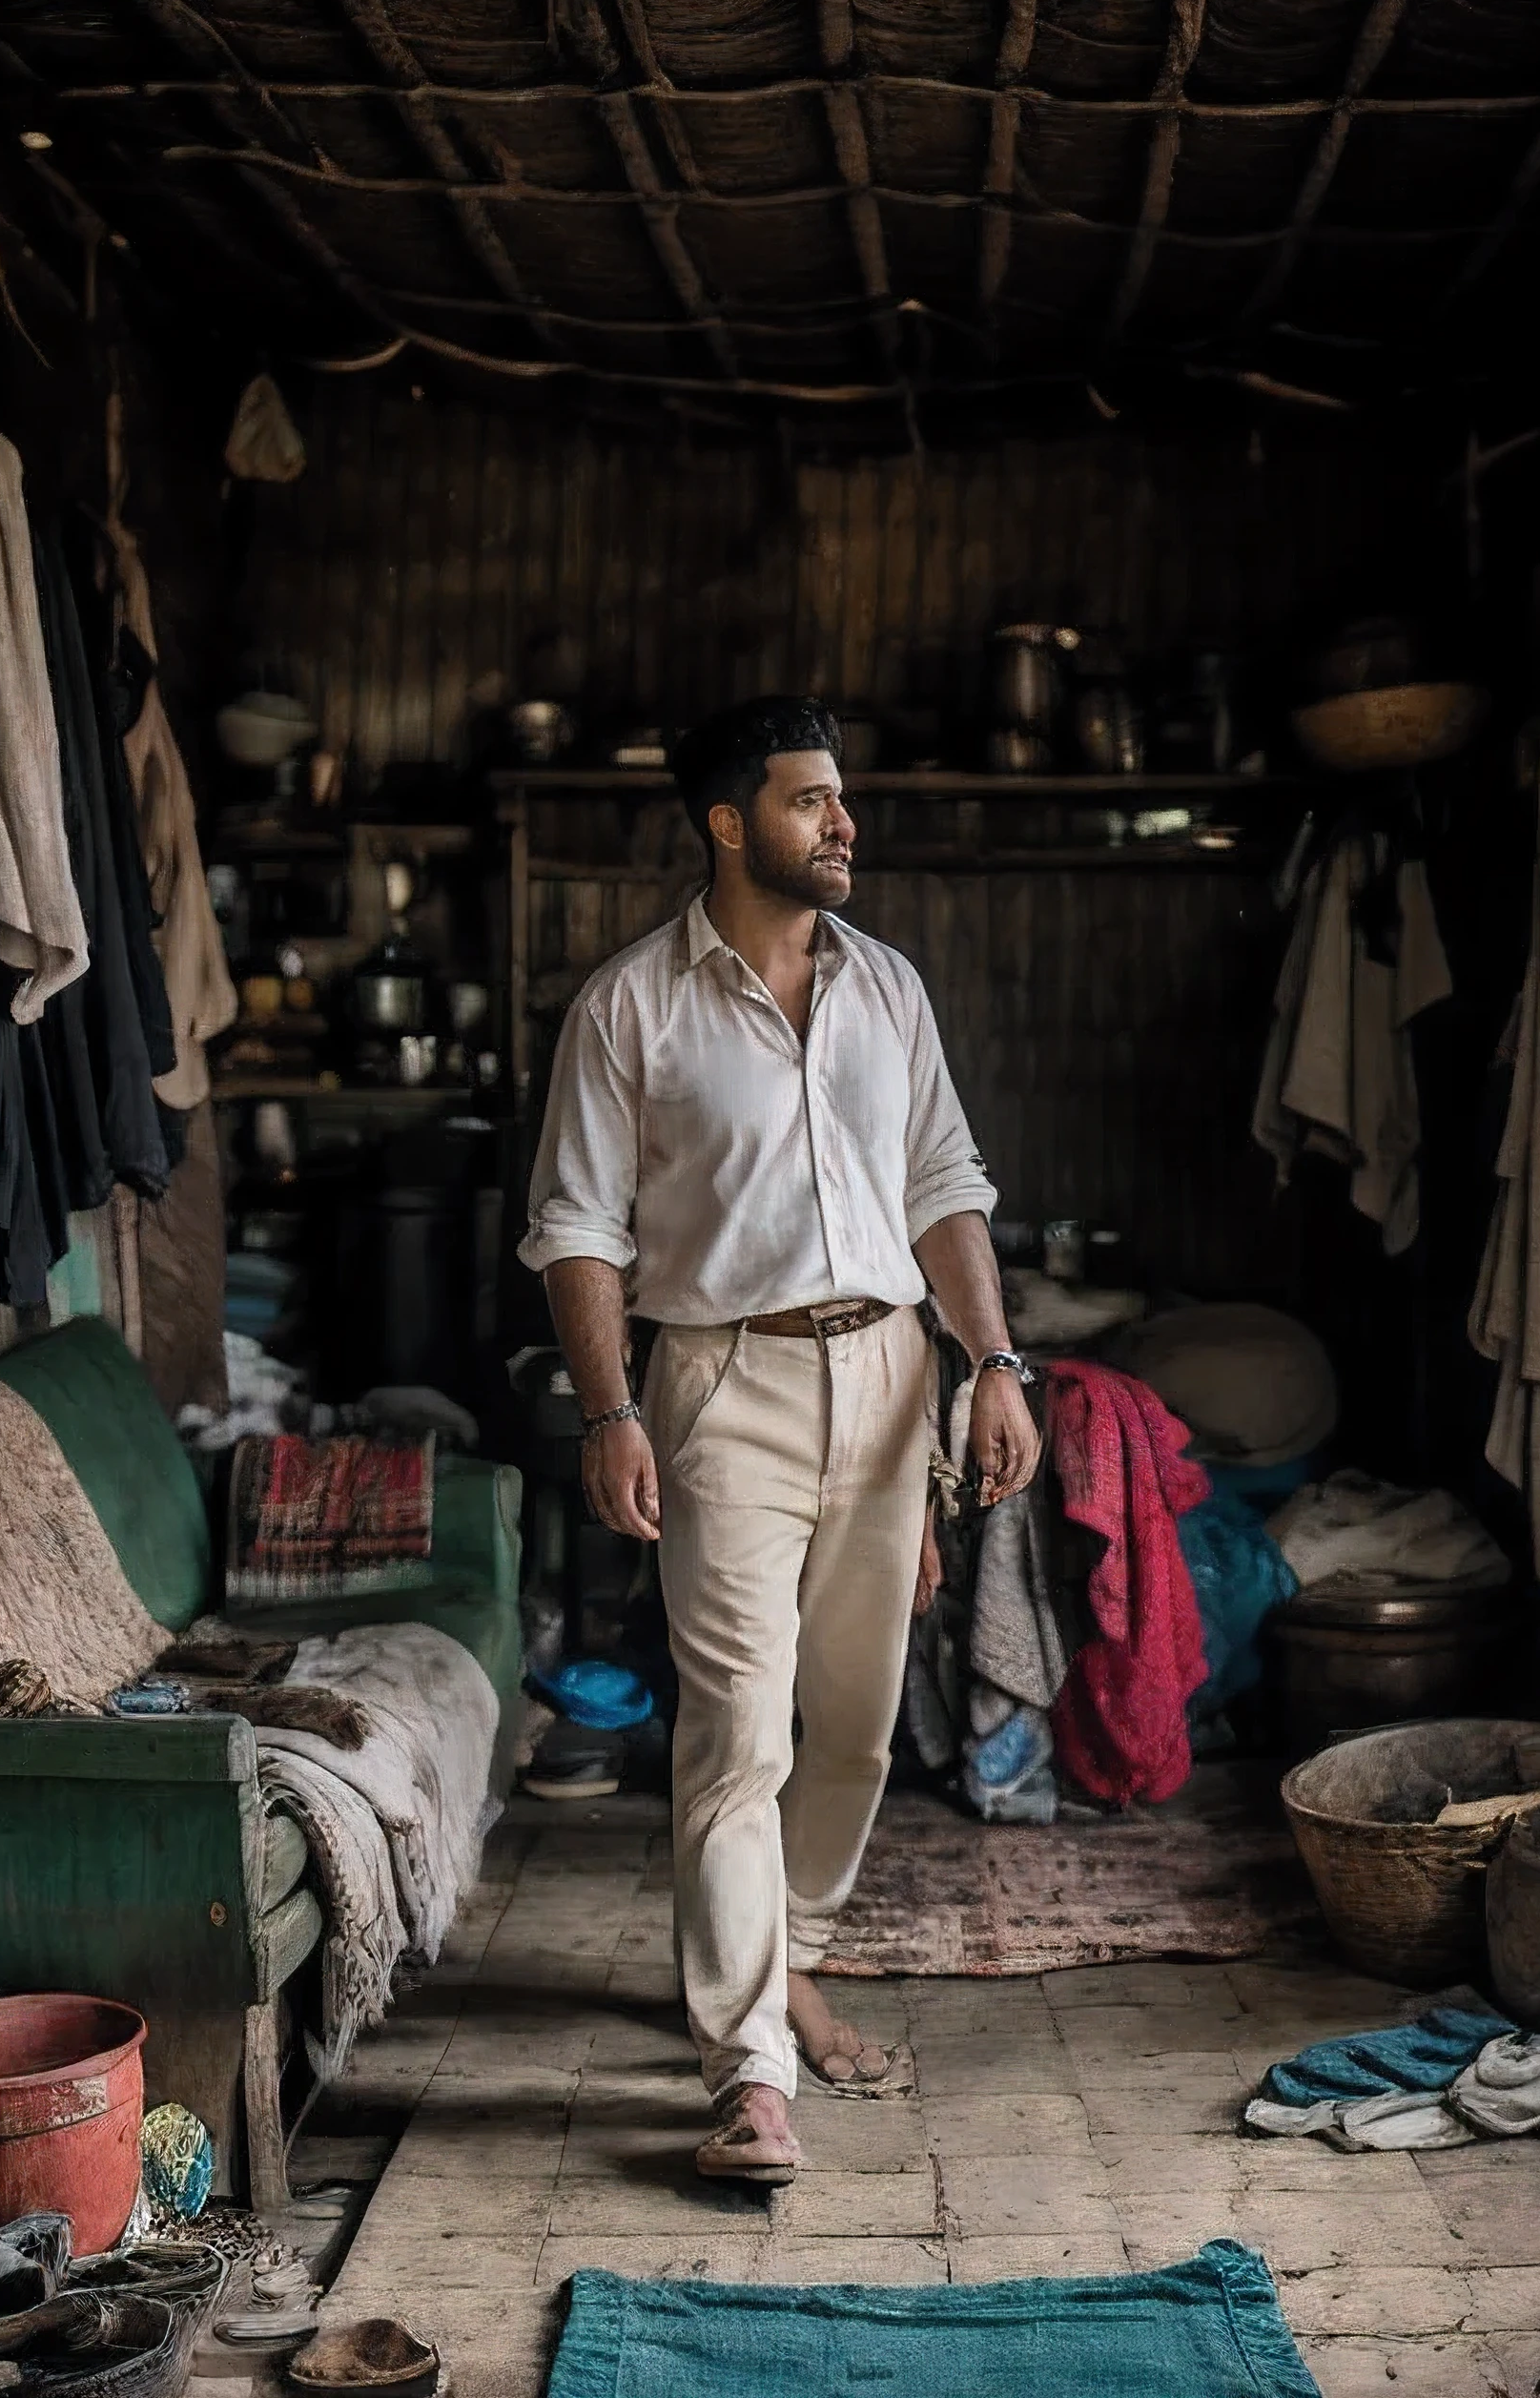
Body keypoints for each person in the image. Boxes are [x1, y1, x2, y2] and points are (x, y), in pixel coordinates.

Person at [518, 693, 1040, 2181]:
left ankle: (791, 1946)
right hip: (718, 1384)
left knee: (859, 1725)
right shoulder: (631, 1006)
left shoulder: (888, 991)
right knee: (737, 1733)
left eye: (841, 799)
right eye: (811, 801)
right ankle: (747, 2069)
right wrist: (611, 1409)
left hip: (890, 1384)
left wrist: (992, 1365)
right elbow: (574, 1232)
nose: (843, 823)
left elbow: (946, 1186)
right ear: (730, 824)